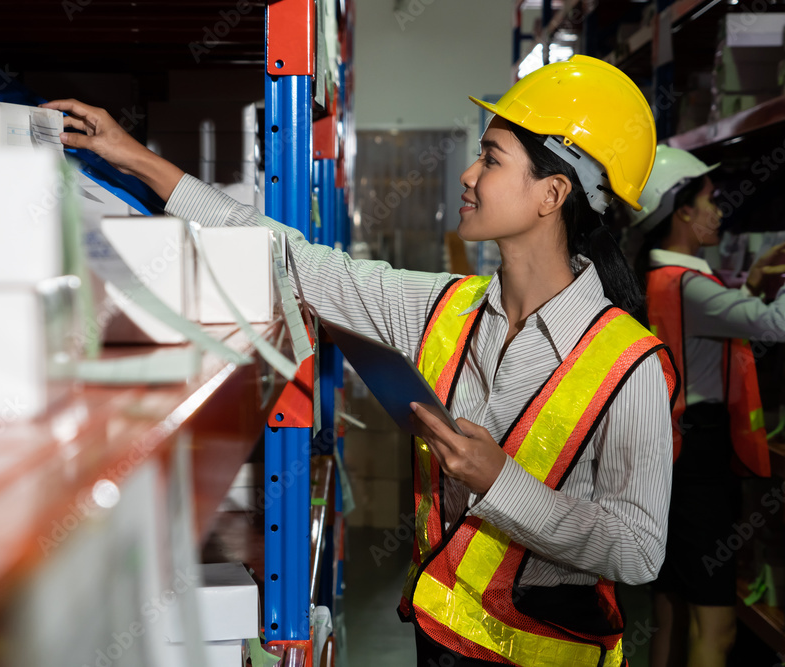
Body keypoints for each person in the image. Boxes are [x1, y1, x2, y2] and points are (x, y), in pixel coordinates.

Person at [44, 55, 679, 666]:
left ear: (552, 193)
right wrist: (135, 158)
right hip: (435, 644)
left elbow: (639, 550)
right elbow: (291, 261)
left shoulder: (630, 365)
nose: (467, 174)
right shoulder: (442, 309)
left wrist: (500, 482)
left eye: (490, 159)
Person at [629, 146, 785, 667]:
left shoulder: (657, 278)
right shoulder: (686, 285)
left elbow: (697, 335)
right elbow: (780, 325)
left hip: (669, 454)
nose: (719, 211)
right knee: (716, 626)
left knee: (671, 612)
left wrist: (748, 284)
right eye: (709, 200)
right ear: (681, 211)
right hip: (697, 462)